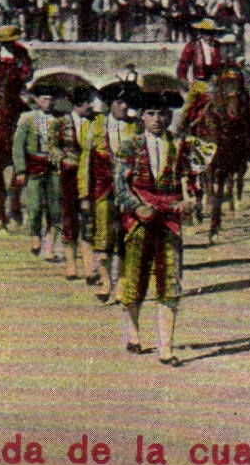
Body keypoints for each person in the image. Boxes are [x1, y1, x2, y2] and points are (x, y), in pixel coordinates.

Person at [114, 90, 215, 367]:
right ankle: (133, 334)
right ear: (141, 117)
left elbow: (192, 179)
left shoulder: (182, 144)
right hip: (139, 218)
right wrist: (136, 207)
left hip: (169, 219)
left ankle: (166, 347)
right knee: (134, 277)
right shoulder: (129, 146)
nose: (157, 119)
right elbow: (120, 186)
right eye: (150, 113)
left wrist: (189, 200)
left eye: (161, 114)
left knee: (170, 279)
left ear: (169, 116)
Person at [87, 80, 140, 303]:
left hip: (129, 189)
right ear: (110, 104)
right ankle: (106, 279)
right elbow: (85, 161)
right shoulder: (96, 125)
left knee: (127, 236)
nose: (123, 107)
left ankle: (121, 283)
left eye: (126, 102)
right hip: (103, 188)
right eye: (119, 102)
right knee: (103, 235)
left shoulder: (135, 126)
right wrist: (83, 193)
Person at [0, 24, 33, 230]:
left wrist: (18, 76)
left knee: (33, 114)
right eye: (4, 42)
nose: (7, 44)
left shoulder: (22, 52)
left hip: (16, 93)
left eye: (10, 41)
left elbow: (28, 72)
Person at [55, 85, 102, 281]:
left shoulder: (96, 121)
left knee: (89, 217)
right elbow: (53, 147)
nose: (90, 106)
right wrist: (62, 160)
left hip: (91, 173)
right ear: (77, 104)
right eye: (86, 102)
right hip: (69, 174)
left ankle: (90, 266)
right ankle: (71, 264)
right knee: (69, 218)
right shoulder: (61, 122)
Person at [11, 85, 63, 263]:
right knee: (34, 207)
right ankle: (34, 234)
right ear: (37, 100)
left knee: (55, 209)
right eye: (44, 99)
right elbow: (18, 145)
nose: (48, 103)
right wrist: (20, 170)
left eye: (50, 100)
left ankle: (49, 248)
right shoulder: (27, 118)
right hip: (33, 167)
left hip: (53, 168)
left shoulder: (59, 119)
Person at [174, 18, 223, 130]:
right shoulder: (192, 46)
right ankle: (181, 128)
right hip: (199, 83)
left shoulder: (217, 46)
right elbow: (183, 64)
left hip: (215, 83)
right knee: (187, 108)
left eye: (211, 32)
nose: (209, 35)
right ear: (200, 33)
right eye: (206, 32)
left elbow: (222, 63)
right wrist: (183, 79)